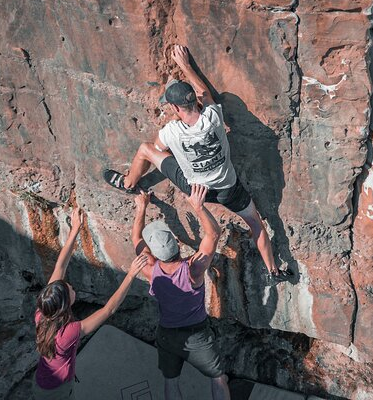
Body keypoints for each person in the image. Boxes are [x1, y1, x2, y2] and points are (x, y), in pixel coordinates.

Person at [104, 44, 292, 284]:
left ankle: (129, 182)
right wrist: (186, 65)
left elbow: (158, 149)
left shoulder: (171, 131)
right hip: (228, 190)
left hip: (196, 190)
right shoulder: (213, 117)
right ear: (195, 102)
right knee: (257, 225)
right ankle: (273, 271)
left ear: (173, 108)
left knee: (145, 150)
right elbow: (204, 91)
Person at [33, 207, 146, 399]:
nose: (72, 287)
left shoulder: (43, 312)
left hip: (41, 382)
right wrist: (131, 274)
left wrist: (75, 229)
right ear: (65, 305)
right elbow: (109, 310)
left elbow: (61, 265)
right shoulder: (68, 333)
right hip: (57, 390)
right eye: (71, 290)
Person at [131, 186, 229, 400]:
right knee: (218, 377)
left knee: (171, 381)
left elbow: (136, 240)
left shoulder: (151, 272)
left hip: (166, 334)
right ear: (176, 243)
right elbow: (214, 234)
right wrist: (198, 207)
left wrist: (141, 207)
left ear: (153, 254)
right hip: (196, 335)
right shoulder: (193, 269)